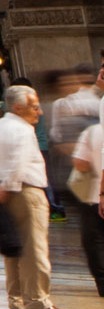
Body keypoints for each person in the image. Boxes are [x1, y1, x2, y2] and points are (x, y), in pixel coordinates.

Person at [0, 83, 67, 309]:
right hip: (26, 193)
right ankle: (37, 301)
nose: (38, 112)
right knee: (33, 249)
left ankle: (16, 299)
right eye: (34, 107)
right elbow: (17, 162)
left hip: (4, 193)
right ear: (19, 107)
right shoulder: (23, 130)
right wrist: (7, 187)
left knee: (13, 248)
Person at [44, 64, 102, 296]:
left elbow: (70, 151)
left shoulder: (66, 108)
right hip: (87, 181)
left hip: (88, 181)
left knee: (93, 233)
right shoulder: (80, 107)